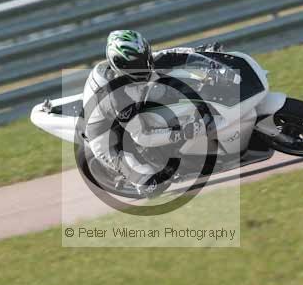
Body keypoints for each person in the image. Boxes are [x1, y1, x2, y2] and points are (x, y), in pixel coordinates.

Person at [82, 30, 223, 196]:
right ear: (121, 65)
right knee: (153, 186)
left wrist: (200, 53)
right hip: (107, 136)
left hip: (127, 101)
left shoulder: (139, 63)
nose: (146, 65)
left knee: (166, 90)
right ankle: (131, 175)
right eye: (137, 63)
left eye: (145, 57)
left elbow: (169, 55)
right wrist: (183, 133)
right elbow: (142, 136)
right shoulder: (117, 98)